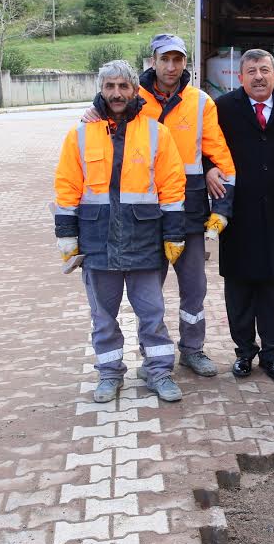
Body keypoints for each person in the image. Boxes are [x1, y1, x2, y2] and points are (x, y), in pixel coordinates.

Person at [87, 34, 237, 378]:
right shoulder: (128, 97)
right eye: (164, 59)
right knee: (148, 296)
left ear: (186, 63)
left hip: (189, 212)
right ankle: (151, 354)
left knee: (194, 290)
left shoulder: (200, 102)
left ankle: (192, 350)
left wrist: (223, 208)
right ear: (151, 61)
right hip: (143, 218)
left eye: (178, 60)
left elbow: (222, 159)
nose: (171, 67)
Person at [54, 60, 188, 403]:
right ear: (101, 89)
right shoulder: (80, 134)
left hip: (145, 242)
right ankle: (110, 375)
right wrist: (66, 236)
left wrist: (174, 234)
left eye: (123, 86)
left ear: (134, 90)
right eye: (110, 86)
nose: (116, 93)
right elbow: (67, 187)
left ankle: (159, 372)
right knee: (103, 318)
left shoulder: (157, 132)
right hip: (98, 243)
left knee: (152, 315)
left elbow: (172, 187)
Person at [214, 50, 274, 382]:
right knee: (238, 287)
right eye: (250, 71)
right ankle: (243, 353)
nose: (258, 77)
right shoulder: (223, 108)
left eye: (264, 70)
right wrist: (210, 169)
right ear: (240, 78)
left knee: (272, 284)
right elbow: (205, 146)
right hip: (235, 212)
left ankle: (271, 354)